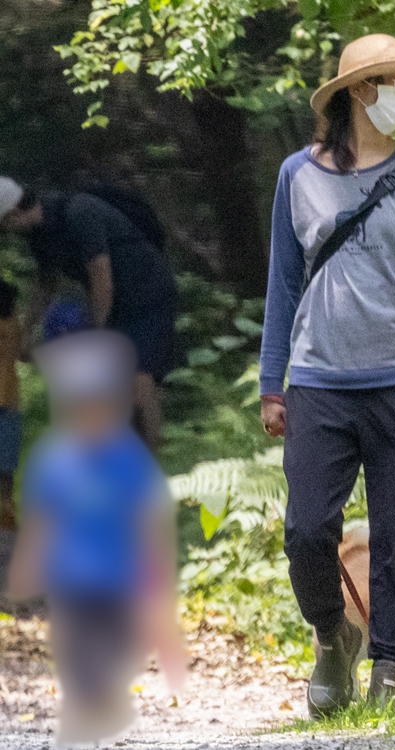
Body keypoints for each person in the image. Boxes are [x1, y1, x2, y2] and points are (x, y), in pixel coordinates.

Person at [259, 33, 395, 718]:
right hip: (319, 378)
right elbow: (283, 285)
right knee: (308, 529)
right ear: (357, 91)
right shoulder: (298, 175)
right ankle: (329, 636)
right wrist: (271, 381)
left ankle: (388, 665)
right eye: (389, 82)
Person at [7, 301, 185, 746]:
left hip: (119, 580)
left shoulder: (127, 457)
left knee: (119, 646)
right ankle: (89, 703)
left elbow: (149, 514)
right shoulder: (54, 458)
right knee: (73, 647)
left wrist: (156, 571)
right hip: (71, 581)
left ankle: (103, 696)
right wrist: (28, 566)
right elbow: (41, 520)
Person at [0, 176, 176, 449]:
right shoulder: (39, 235)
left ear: (13, 214)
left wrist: (94, 333)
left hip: (148, 294)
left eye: (4, 227)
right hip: (116, 303)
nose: (7, 233)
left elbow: (100, 276)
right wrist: (25, 332)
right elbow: (45, 285)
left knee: (138, 377)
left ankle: (151, 462)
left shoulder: (78, 212)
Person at [0, 279, 22, 530]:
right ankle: (6, 508)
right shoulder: (13, 325)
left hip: (8, 398)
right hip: (10, 399)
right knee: (6, 463)